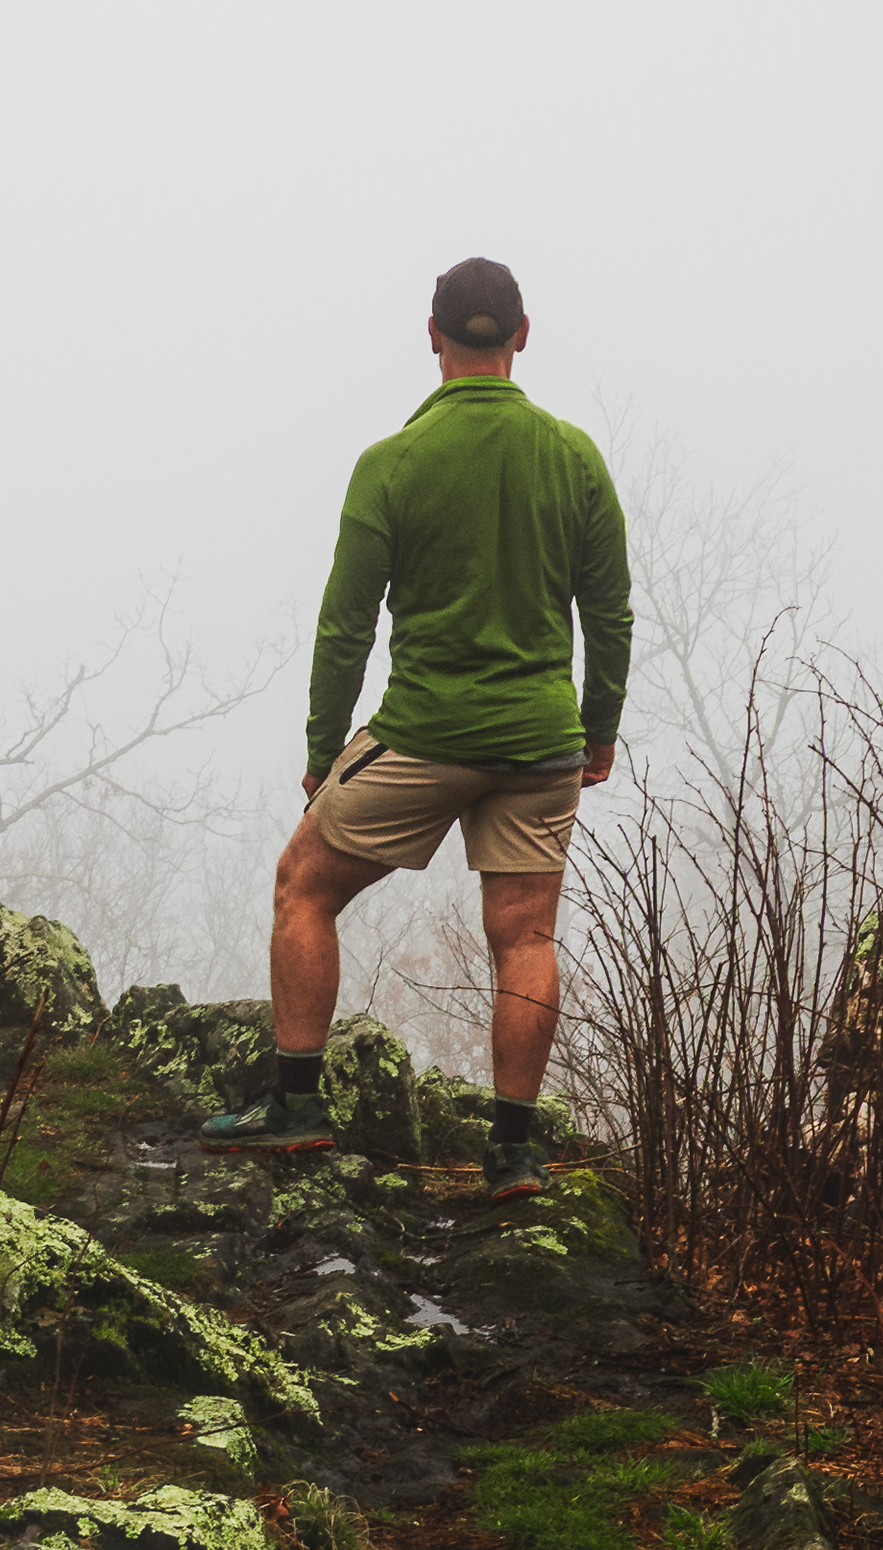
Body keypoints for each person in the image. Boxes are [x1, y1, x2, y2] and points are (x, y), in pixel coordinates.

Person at [202, 255, 630, 1202]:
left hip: (424, 737)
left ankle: (298, 1107)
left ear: (431, 336)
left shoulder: (391, 463)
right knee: (525, 936)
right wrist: (598, 731)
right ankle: (514, 1154)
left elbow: (345, 624)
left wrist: (324, 756)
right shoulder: (574, 459)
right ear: (523, 335)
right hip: (541, 744)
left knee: (301, 883)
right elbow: (610, 615)